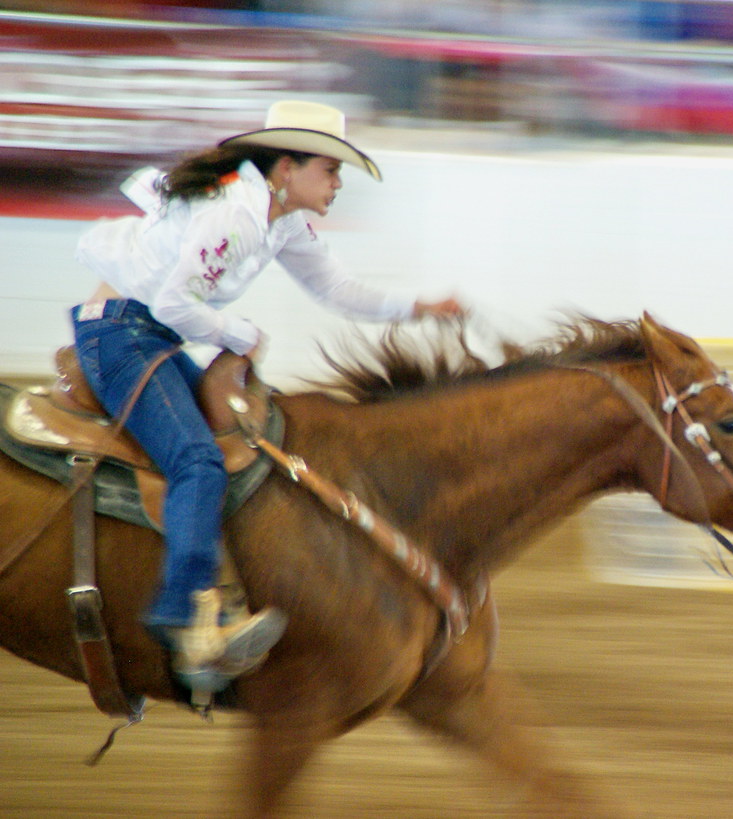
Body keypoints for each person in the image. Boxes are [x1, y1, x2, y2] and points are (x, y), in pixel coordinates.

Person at [70, 100, 464, 692]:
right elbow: (178, 304)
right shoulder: (239, 216)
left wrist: (416, 309)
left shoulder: (277, 221)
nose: (336, 184)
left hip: (142, 335)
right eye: (329, 170)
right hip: (122, 335)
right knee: (198, 462)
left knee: (216, 452)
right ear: (286, 168)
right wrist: (242, 335)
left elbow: (335, 288)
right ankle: (184, 617)